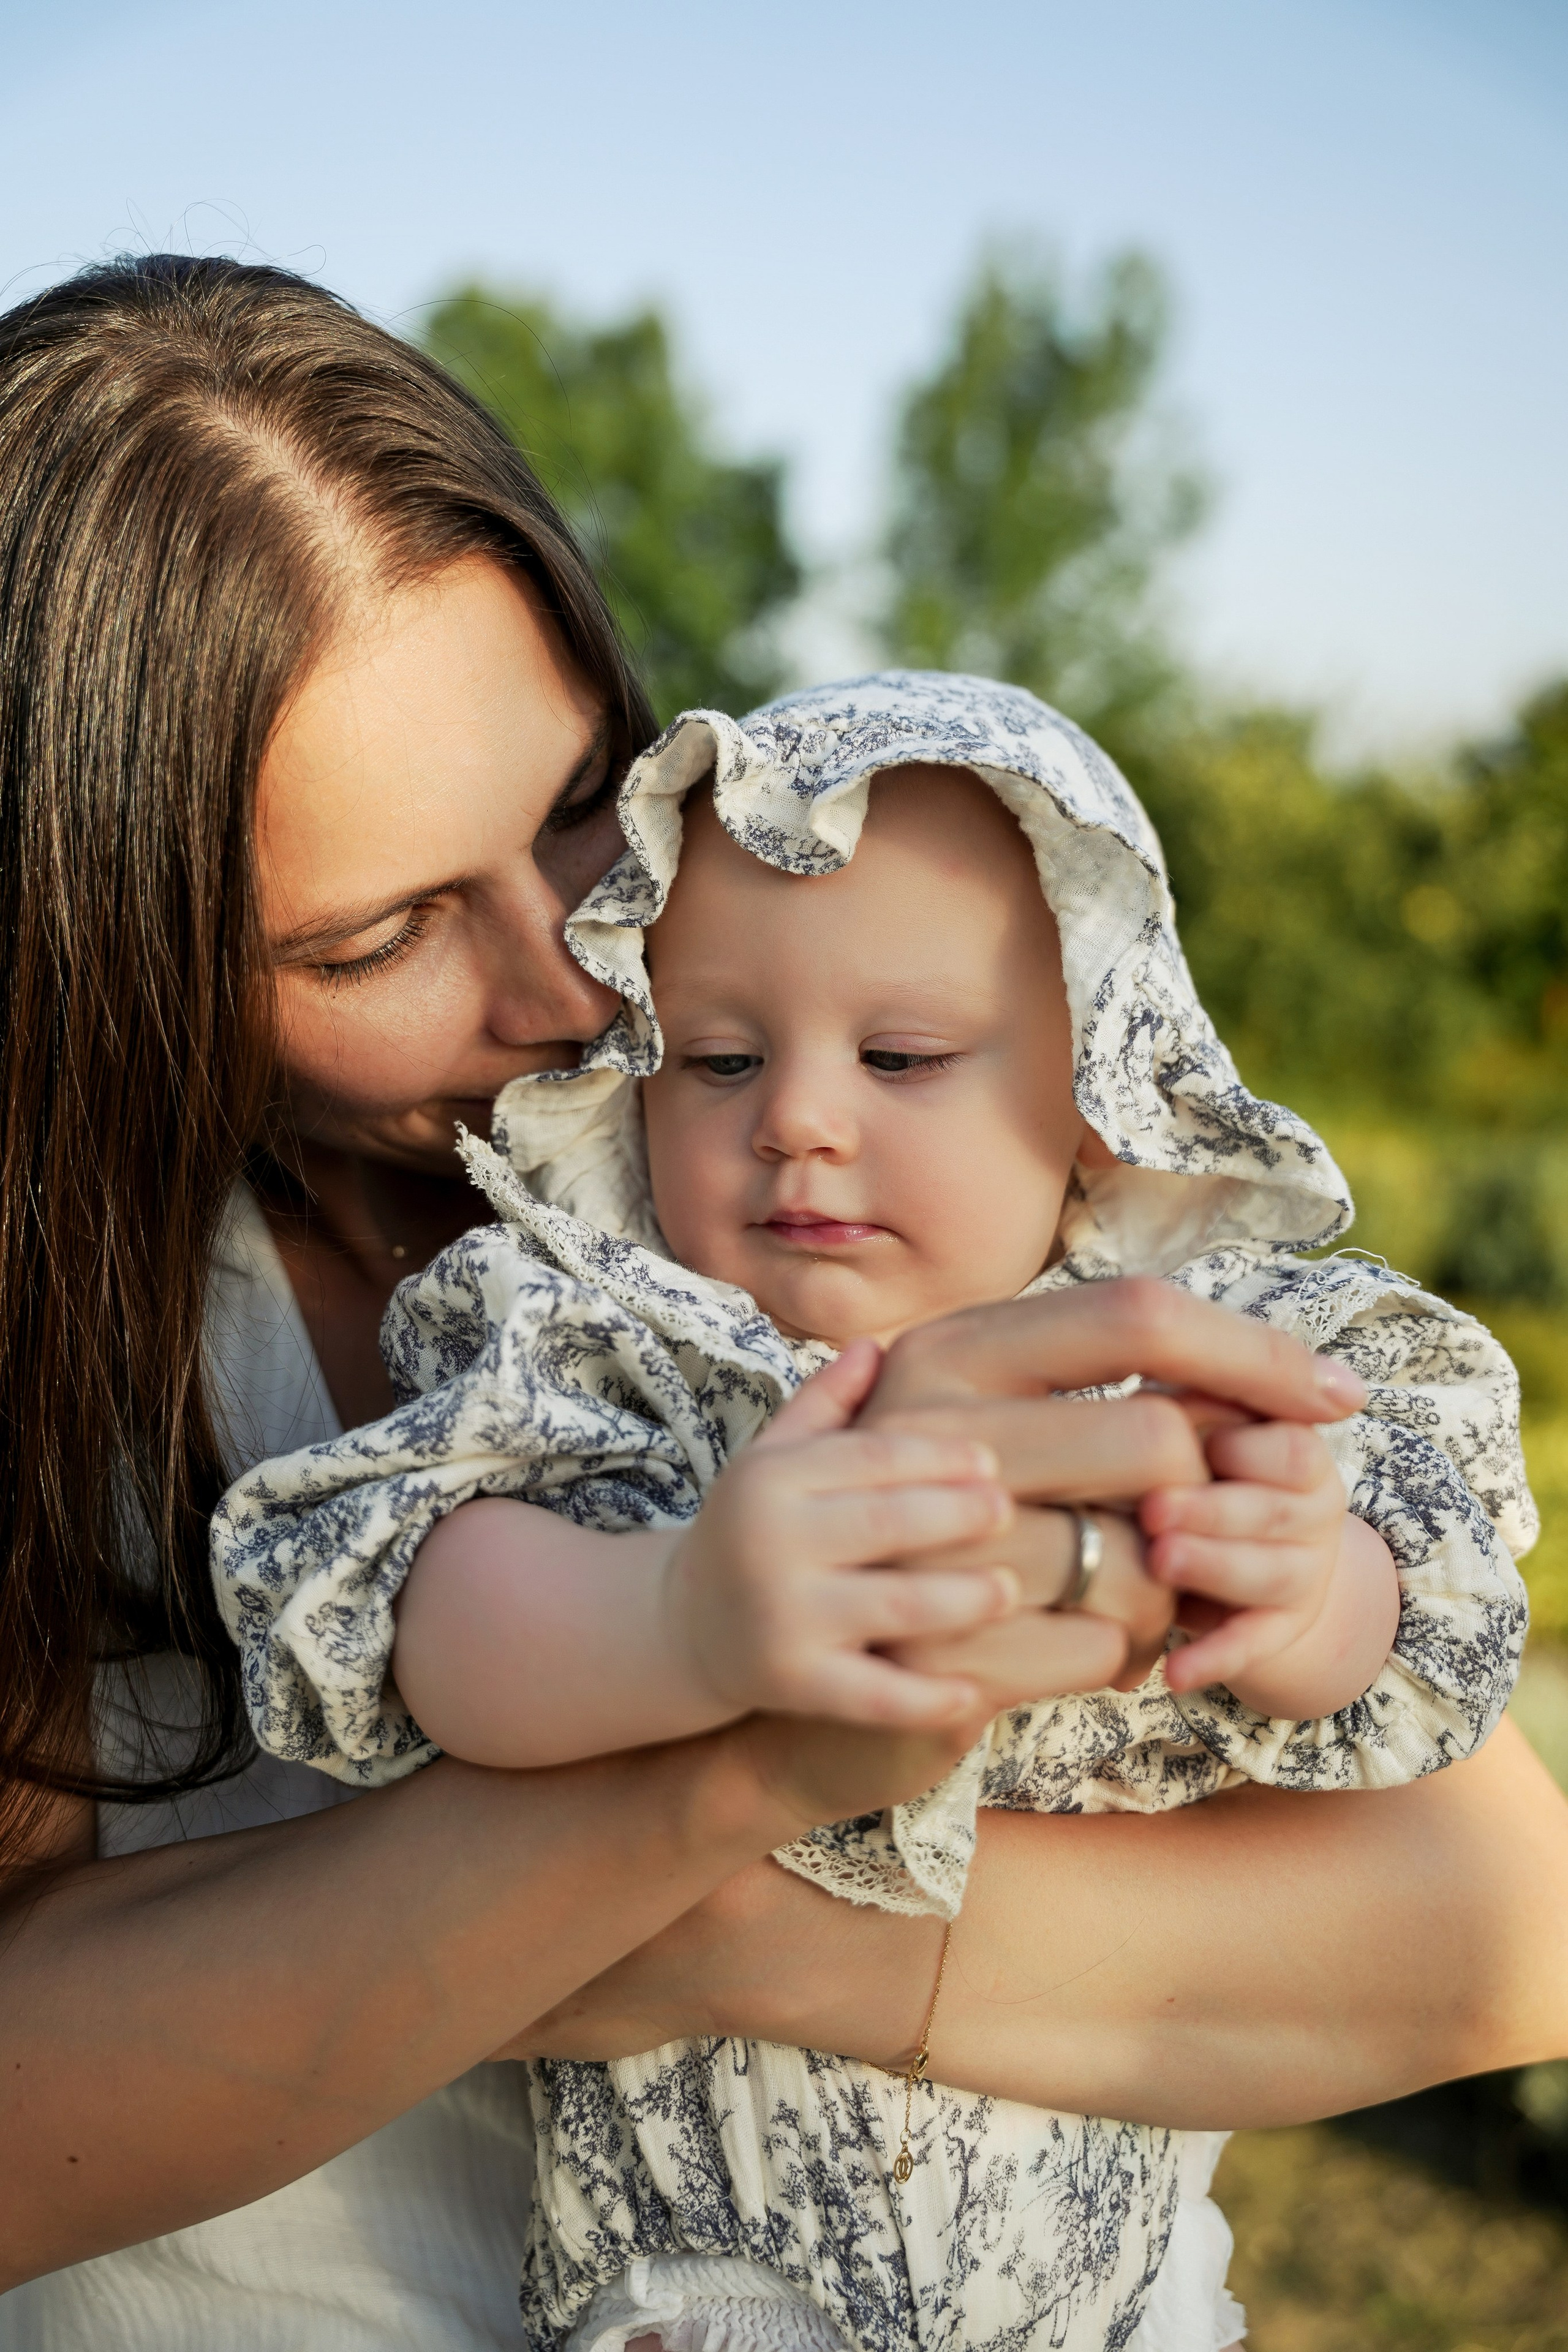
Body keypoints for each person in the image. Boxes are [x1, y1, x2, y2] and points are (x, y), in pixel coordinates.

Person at [2, 256, 1566, 2349]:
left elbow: (1492, 1933)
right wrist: (730, 1767)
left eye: (579, 808)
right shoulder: (201, 1331)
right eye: (381, 934)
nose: (584, 982)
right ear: (99, 959)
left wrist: (747, 1926)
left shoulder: (922, 1225)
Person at [213, 677, 1528, 2352]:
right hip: (698, 2306)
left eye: (901, 1055)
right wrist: (678, 1615)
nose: (802, 1121)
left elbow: (1429, 1627)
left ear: (1102, 1106)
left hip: (1117, 2306)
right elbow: (409, 1605)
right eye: (722, 1059)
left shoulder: (1204, 1362)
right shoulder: (620, 1347)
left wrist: (1305, 1584)